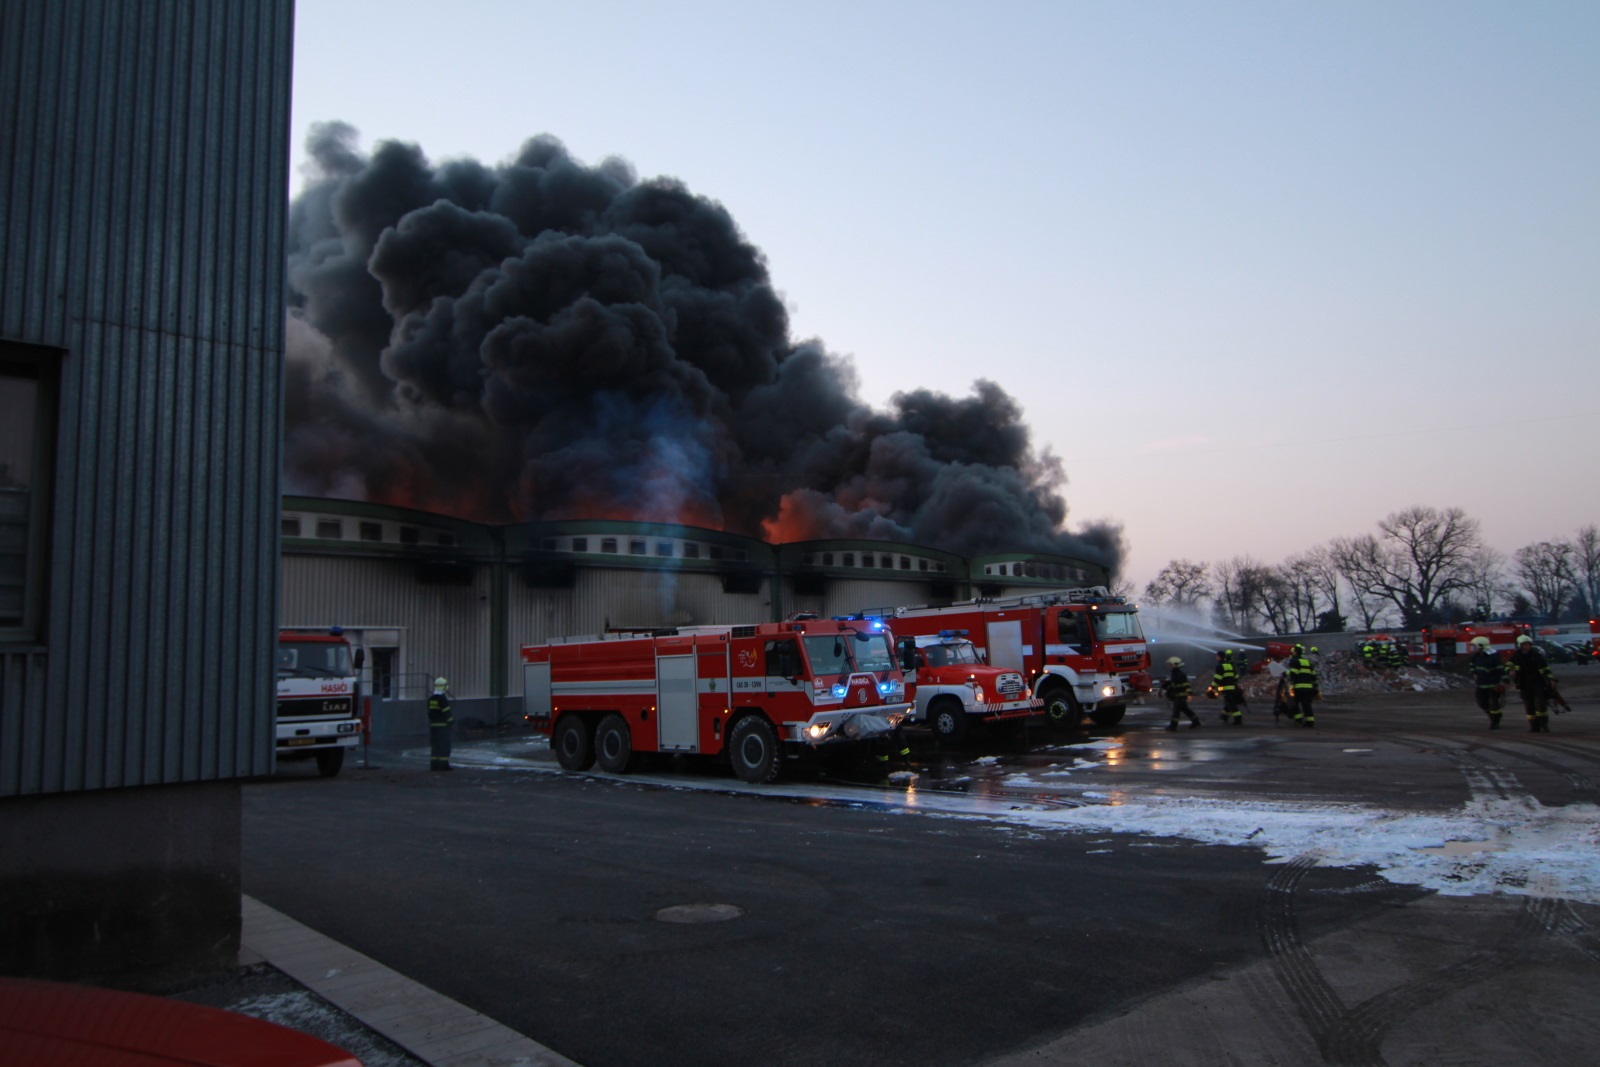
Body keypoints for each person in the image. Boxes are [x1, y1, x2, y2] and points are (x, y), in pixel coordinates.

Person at [1507, 635, 1555, 733]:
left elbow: (1545, 668)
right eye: (1524, 644)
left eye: (1528, 644)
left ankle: (1543, 725)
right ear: (1520, 645)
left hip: (1538, 683)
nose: (1527, 646)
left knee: (1541, 705)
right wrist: (1510, 671)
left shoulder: (1536, 655)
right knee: (1529, 706)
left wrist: (1550, 679)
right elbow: (1507, 666)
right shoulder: (1516, 656)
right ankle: (1534, 726)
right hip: (1524, 684)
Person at [1466, 635, 1506, 729]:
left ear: (1481, 646)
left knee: (1494, 703)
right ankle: (1493, 716)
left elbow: (1500, 668)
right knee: (1482, 702)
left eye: (1475, 646)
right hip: (1481, 684)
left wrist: (1504, 679)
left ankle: (1495, 722)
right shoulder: (1475, 657)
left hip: (1493, 684)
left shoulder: (1494, 657)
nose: (1473, 648)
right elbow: (1472, 665)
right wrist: (1474, 673)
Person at [1161, 656, 1201, 731]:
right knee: (1185, 709)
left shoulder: (1178, 674)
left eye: (1170, 664)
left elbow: (1181, 685)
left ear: (1174, 665)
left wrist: (1189, 693)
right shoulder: (1176, 673)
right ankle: (1196, 721)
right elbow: (1173, 684)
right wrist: (1165, 684)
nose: (1168, 666)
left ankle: (1173, 726)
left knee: (1176, 712)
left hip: (1180, 696)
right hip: (1179, 696)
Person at [1285, 644, 1319, 728]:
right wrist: (1315, 686)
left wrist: (1286, 675)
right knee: (1307, 705)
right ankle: (1310, 722)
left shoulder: (1294, 661)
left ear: (1295, 652)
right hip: (1308, 688)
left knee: (1292, 702)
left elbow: (1294, 673)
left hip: (1299, 688)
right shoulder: (1307, 662)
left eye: (1293, 652)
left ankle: (1298, 719)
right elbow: (1314, 676)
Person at [427, 677, 454, 769]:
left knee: (435, 746)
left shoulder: (431, 699)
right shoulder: (443, 699)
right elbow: (447, 713)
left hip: (433, 726)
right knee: (444, 745)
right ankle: (443, 765)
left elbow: (429, 713)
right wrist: (451, 724)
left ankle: (434, 765)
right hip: (442, 727)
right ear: (443, 687)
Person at [1212, 649, 1243, 726]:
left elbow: (1217, 679)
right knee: (1228, 703)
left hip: (1226, 688)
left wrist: (1212, 687)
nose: (1216, 658)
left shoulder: (1219, 666)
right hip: (1233, 688)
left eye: (1217, 656)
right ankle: (1224, 716)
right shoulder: (1229, 665)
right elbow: (1236, 676)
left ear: (1219, 657)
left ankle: (1238, 719)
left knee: (1231, 704)